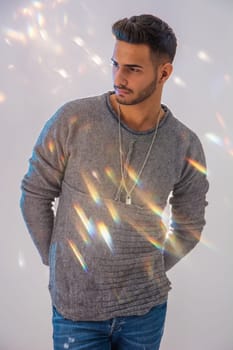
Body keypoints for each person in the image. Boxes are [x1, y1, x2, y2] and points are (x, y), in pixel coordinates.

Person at [20, 14, 209, 350]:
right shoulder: (74, 119)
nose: (119, 77)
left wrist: (150, 268)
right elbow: (35, 192)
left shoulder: (184, 143)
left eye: (133, 69)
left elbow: (190, 224)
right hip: (76, 311)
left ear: (164, 72)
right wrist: (57, 261)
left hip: (145, 313)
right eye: (115, 64)